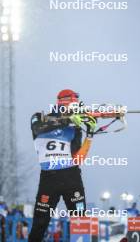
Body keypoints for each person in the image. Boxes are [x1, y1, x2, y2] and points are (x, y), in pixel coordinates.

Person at [28, 89, 96, 241]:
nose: (75, 107)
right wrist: (66, 120)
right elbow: (37, 128)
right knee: (40, 222)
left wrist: (90, 135)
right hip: (49, 178)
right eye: (73, 103)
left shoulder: (75, 127)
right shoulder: (39, 117)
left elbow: (78, 159)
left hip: (71, 176)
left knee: (80, 221)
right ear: (63, 102)